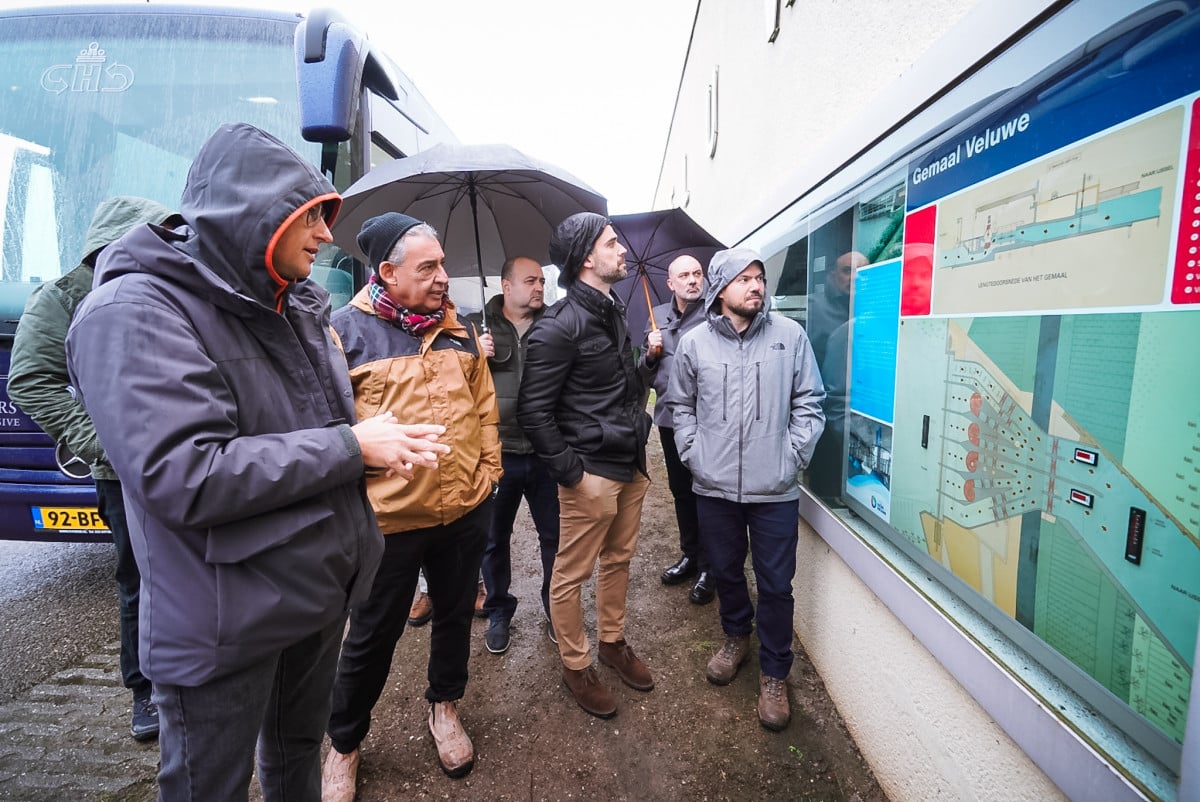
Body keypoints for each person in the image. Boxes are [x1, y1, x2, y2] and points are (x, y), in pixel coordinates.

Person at [64, 123, 448, 801]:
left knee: (297, 754)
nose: (328, 236)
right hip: (224, 619)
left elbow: (302, 427)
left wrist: (371, 440)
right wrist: (350, 447)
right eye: (311, 216)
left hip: (315, 592)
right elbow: (185, 473)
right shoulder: (132, 311)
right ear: (252, 213)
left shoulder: (294, 303)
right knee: (209, 785)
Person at [322, 212, 501, 796]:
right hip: (389, 522)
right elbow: (329, 430)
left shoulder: (461, 330)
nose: (444, 276)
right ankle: (344, 743)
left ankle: (445, 708)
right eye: (429, 267)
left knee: (453, 617)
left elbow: (484, 410)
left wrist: (490, 474)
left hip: (465, 512)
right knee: (372, 635)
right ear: (388, 272)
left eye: (443, 263)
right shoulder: (342, 334)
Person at [8, 195, 178, 742]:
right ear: (115, 245)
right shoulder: (61, 299)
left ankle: (187, 675)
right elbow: (30, 379)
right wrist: (101, 443)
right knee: (139, 580)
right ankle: (144, 690)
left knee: (187, 574)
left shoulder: (164, 289)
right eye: (155, 238)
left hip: (180, 458)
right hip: (120, 473)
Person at [668, 247, 825, 732]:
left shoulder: (790, 337)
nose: (756, 286)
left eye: (759, 277)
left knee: (777, 586)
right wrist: (695, 455)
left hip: (774, 490)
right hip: (713, 489)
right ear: (720, 289)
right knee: (727, 572)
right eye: (744, 279)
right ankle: (736, 636)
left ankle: (775, 672)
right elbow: (681, 407)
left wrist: (791, 458)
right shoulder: (694, 345)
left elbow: (810, 402)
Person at [517, 212, 653, 719]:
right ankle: (576, 663)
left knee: (619, 561)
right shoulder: (558, 326)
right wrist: (573, 474)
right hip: (591, 473)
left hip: (630, 463)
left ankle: (612, 642)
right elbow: (534, 411)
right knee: (571, 575)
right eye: (612, 242)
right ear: (585, 259)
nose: (622, 250)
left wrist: (649, 366)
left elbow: (624, 392)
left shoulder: (614, 311)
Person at [467, 256, 561, 654]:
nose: (539, 287)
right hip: (498, 452)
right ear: (506, 287)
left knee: (555, 537)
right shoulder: (474, 328)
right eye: (529, 281)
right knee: (494, 538)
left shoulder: (555, 327)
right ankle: (499, 608)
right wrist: (474, 358)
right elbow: (453, 388)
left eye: (541, 281)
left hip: (545, 452)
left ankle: (556, 607)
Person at [638, 254, 713, 605]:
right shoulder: (658, 322)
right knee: (681, 491)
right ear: (670, 283)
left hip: (708, 422)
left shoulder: (715, 317)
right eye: (684, 275)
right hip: (670, 421)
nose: (693, 280)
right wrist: (650, 355)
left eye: (697, 273)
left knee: (708, 493)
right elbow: (644, 377)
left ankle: (711, 567)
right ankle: (691, 556)